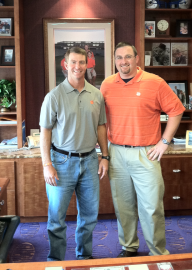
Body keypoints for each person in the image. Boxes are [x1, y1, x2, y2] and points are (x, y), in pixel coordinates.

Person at [100, 42, 185, 258]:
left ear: (137, 58)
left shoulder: (154, 82)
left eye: (128, 57)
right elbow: (101, 119)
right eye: (119, 57)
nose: (123, 62)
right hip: (116, 152)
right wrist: (104, 151)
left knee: (151, 208)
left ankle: (157, 251)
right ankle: (129, 246)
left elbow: (176, 111)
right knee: (123, 206)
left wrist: (164, 142)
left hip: (146, 153)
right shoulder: (107, 84)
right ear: (115, 60)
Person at [40, 47, 109, 261]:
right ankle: (56, 260)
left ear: (87, 64)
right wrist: (47, 164)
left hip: (89, 161)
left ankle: (84, 257)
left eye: (81, 62)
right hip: (61, 162)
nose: (77, 66)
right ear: (66, 64)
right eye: (73, 62)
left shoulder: (96, 94)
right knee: (57, 218)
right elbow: (45, 131)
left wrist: (104, 156)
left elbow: (101, 127)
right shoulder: (54, 96)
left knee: (88, 216)